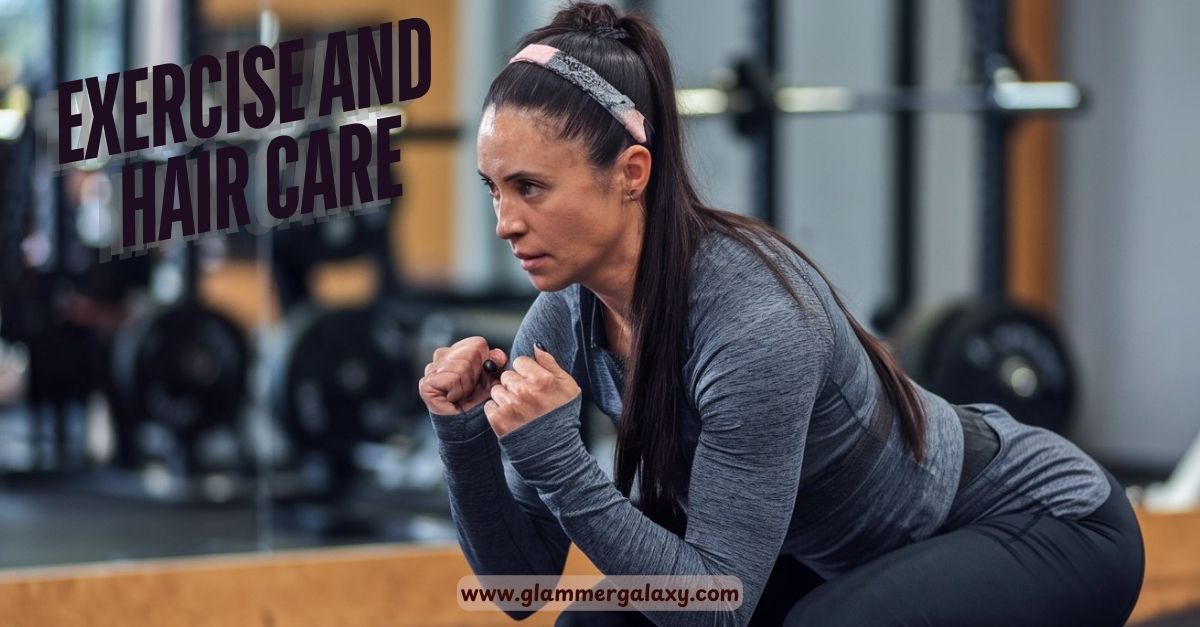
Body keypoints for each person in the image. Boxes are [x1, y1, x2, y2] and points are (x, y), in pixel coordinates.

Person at [418, 3, 1145, 625]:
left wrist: (555, 459)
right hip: (837, 555)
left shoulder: (752, 319)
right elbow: (524, 586)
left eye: (530, 187)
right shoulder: (560, 321)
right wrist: (464, 435)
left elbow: (715, 608)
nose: (504, 222)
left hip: (1043, 526)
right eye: (493, 189)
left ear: (632, 173)